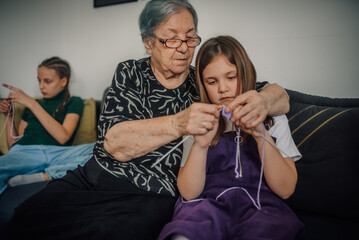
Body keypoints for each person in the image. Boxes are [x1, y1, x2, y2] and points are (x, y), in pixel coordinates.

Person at [5, 1, 290, 239]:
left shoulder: (204, 82)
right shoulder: (130, 73)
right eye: (172, 38)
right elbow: (114, 143)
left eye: (190, 37)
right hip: (96, 176)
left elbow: (279, 96)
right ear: (148, 43)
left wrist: (262, 101)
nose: (183, 47)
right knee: (25, 216)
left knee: (119, 232)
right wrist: (179, 122)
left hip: (153, 194)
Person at [158, 36, 304, 240]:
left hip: (261, 206)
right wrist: (200, 146)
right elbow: (189, 194)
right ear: (203, 84)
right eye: (212, 81)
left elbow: (286, 189)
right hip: (207, 206)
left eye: (231, 77)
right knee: (185, 231)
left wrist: (262, 136)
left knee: (269, 229)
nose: (223, 88)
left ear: (246, 74)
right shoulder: (197, 120)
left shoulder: (273, 118)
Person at [0, 56, 94, 195]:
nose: (41, 86)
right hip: (26, 152)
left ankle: (46, 175)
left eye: (47, 81)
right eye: (39, 80)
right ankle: (51, 173)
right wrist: (8, 116)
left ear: (63, 81)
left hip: (59, 154)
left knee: (101, 149)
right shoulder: (33, 105)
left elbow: (63, 137)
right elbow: (14, 144)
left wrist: (32, 104)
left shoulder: (74, 102)